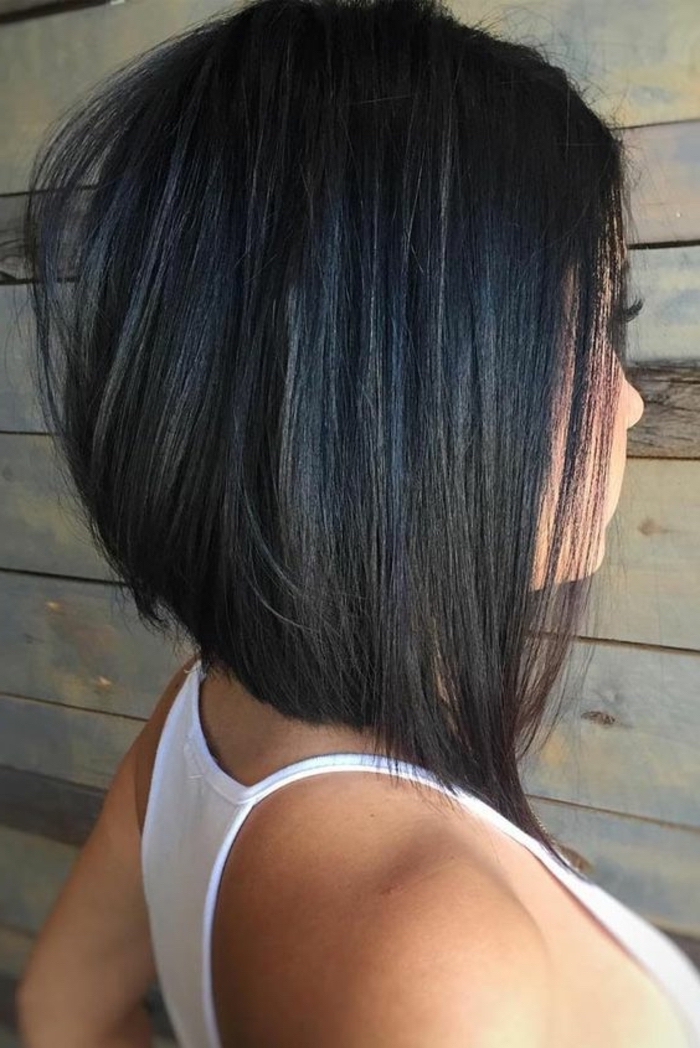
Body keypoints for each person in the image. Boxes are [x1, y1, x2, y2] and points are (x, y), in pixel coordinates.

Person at [14, 0, 700, 1044]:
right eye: (591, 332)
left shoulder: (208, 717)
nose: (630, 401)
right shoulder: (437, 963)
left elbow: (59, 1009)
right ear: (390, 405)